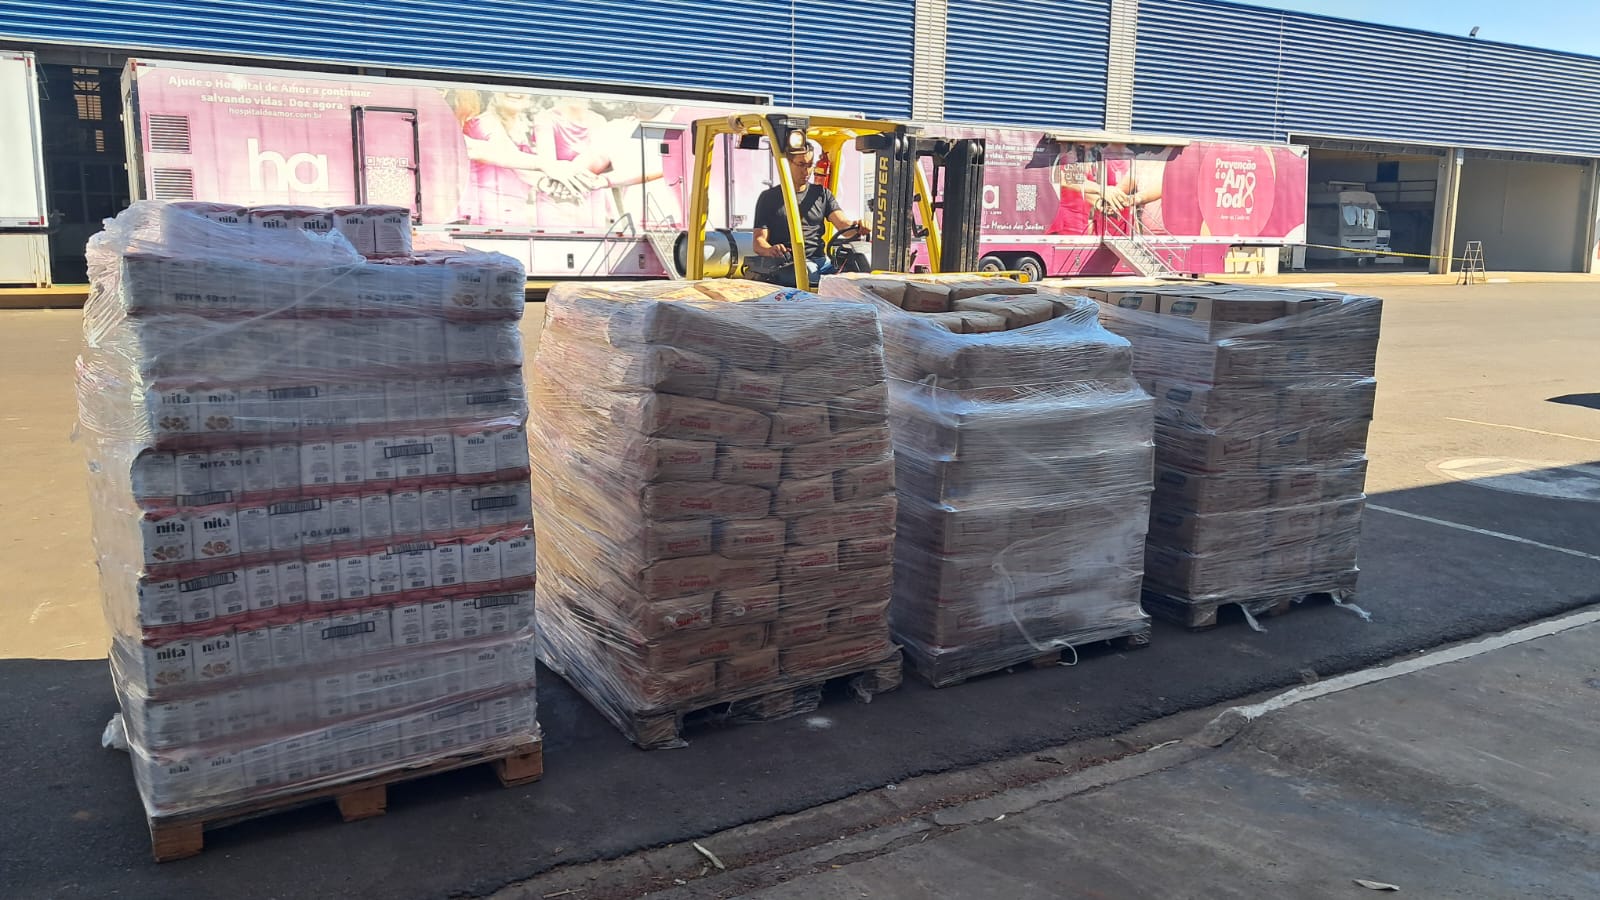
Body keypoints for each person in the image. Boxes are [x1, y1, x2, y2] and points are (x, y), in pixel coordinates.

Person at [751, 145, 866, 287]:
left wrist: (858, 227)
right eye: (801, 165)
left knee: (858, 269)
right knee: (809, 272)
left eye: (810, 165)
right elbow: (758, 241)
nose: (806, 171)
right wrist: (769, 250)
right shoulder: (769, 198)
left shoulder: (821, 194)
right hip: (790, 263)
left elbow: (843, 224)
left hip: (822, 262)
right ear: (787, 164)